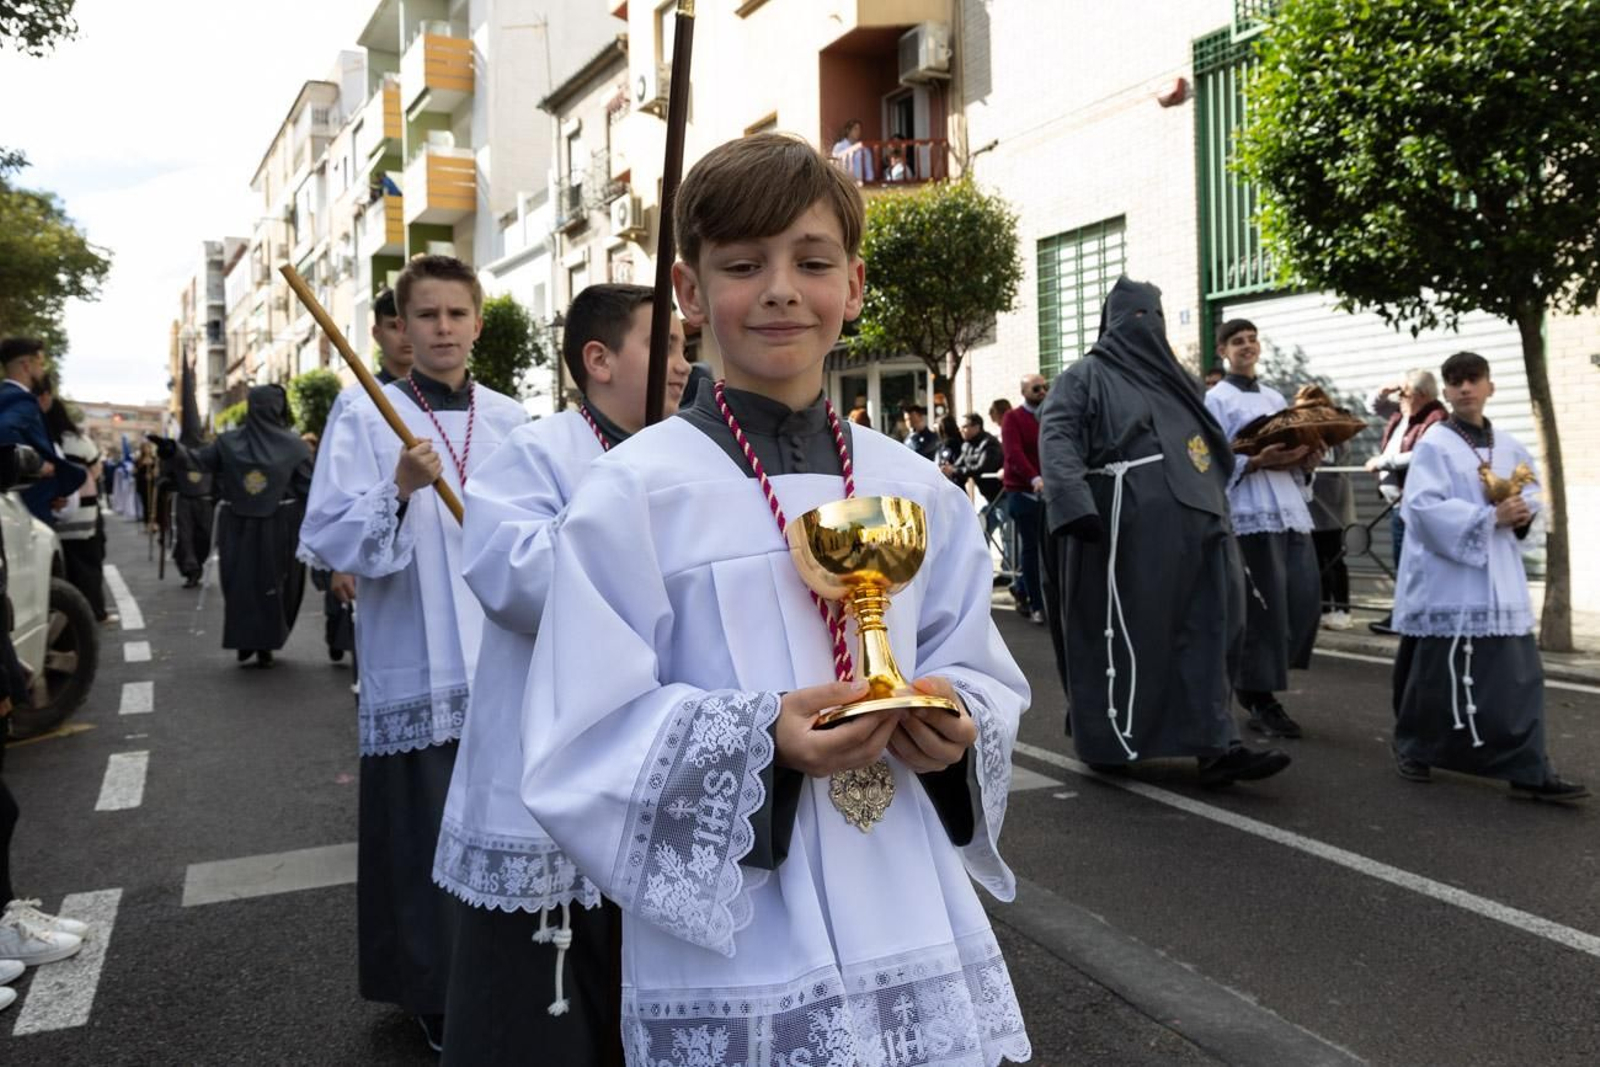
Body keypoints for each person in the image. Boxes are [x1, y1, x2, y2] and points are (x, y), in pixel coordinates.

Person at [520, 133, 1031, 1067]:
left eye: (812, 262)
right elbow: (580, 736)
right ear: (687, 292)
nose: (782, 290)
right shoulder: (634, 491)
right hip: (744, 917)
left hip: (903, 881)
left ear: (857, 285)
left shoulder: (912, 485)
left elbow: (976, 662)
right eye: (745, 265)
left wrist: (957, 719)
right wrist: (762, 740)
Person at [434, 283, 688, 1065]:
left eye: (686, 347)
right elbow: (506, 574)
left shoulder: (691, 453)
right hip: (551, 772)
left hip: (657, 765)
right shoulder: (541, 451)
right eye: (665, 346)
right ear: (599, 359)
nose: (683, 366)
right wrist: (624, 528)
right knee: (541, 1018)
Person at [298, 255, 529, 1054]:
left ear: (477, 322)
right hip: (419, 657)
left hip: (497, 646)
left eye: (455, 314)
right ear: (400, 327)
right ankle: (431, 986)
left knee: (504, 820)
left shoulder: (512, 418)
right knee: (425, 829)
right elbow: (329, 536)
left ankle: (510, 975)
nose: (440, 330)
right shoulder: (369, 415)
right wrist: (395, 486)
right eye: (424, 316)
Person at [1039, 279, 1290, 786]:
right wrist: (1075, 505)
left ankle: (1217, 745)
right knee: (1126, 637)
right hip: (1121, 536)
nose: (1145, 327)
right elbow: (1058, 435)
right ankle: (1112, 740)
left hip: (1201, 530)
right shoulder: (1085, 376)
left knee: (1209, 632)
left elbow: (1208, 449)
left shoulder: (1181, 383)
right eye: (1135, 318)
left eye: (1152, 316)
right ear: (1111, 322)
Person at [1390, 351, 1586, 802]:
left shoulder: (1511, 444)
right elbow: (1421, 508)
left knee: (1517, 676)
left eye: (1473, 379)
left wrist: (1518, 516)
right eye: (1455, 381)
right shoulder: (1435, 444)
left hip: (1499, 579)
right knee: (1434, 674)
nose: (1464, 388)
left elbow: (1532, 496)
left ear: (1489, 386)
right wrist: (1486, 518)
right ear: (1445, 390)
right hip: (1448, 580)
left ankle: (1527, 766)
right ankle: (1416, 748)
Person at [1205, 319, 1320, 739]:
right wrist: (1254, 462)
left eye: (1253, 340)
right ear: (1223, 350)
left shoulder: (1274, 396)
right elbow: (1211, 458)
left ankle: (1258, 680)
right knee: (1265, 607)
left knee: (1304, 597)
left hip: (1288, 506)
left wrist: (1303, 460)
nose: (1248, 346)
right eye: (1238, 341)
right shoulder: (1216, 400)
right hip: (1250, 510)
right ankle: (1258, 695)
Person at [168, 386, 311, 667]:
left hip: (274, 524)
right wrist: (172, 451)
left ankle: (264, 642)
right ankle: (248, 640)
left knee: (271, 584)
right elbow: (199, 461)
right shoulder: (231, 442)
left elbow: (310, 487)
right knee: (241, 584)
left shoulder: (294, 446)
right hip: (246, 525)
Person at [1364, 369, 1446, 634]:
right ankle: (1406, 616)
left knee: (1411, 564)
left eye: (1405, 393)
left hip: (1414, 502)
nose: (1399, 397)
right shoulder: (1403, 414)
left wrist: (1382, 462)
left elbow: (1421, 454)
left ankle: (1406, 618)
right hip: (1398, 503)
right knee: (1405, 563)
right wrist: (1385, 389)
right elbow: (1371, 406)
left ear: (1421, 395)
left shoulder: (1436, 419)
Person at [35, 376, 109, 620]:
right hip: (85, 515)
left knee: (60, 570)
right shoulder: (78, 441)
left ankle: (65, 618)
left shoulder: (40, 441)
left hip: (51, 515)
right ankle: (94, 612)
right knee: (88, 566)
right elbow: (96, 469)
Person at [0, 339, 85, 524]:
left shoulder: (8, 397)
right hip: (26, 517)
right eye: (40, 363)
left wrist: (50, 491)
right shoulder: (20, 400)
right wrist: (37, 465)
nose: (42, 370)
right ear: (26, 366)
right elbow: (4, 430)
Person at [1001, 374, 1049, 622]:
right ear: (1024, 392)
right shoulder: (1013, 418)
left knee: (1047, 547)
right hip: (1022, 492)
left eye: (1045, 387)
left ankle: (1021, 588)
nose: (1042, 392)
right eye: (1036, 388)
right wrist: (1034, 478)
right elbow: (1014, 453)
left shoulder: (1047, 416)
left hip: (1047, 491)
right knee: (1031, 547)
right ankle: (1036, 604)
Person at [1311, 436, 1356, 631]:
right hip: (1312, 506)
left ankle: (1342, 609)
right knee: (1318, 560)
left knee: (1335, 559)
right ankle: (1324, 608)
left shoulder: (1337, 437)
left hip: (1333, 507)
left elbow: (1336, 462)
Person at [943, 412, 1004, 502]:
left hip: (1001, 494)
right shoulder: (967, 445)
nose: (961, 430)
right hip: (988, 495)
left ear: (976, 427)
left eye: (964, 427)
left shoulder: (989, 443)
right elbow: (958, 465)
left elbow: (982, 468)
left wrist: (953, 470)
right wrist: (947, 469)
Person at [829, 118, 875, 184]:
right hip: (844, 183)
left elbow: (869, 169)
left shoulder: (864, 149)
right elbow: (834, 165)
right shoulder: (839, 147)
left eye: (859, 129)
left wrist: (870, 182)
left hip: (860, 183)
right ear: (848, 130)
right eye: (855, 129)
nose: (858, 132)